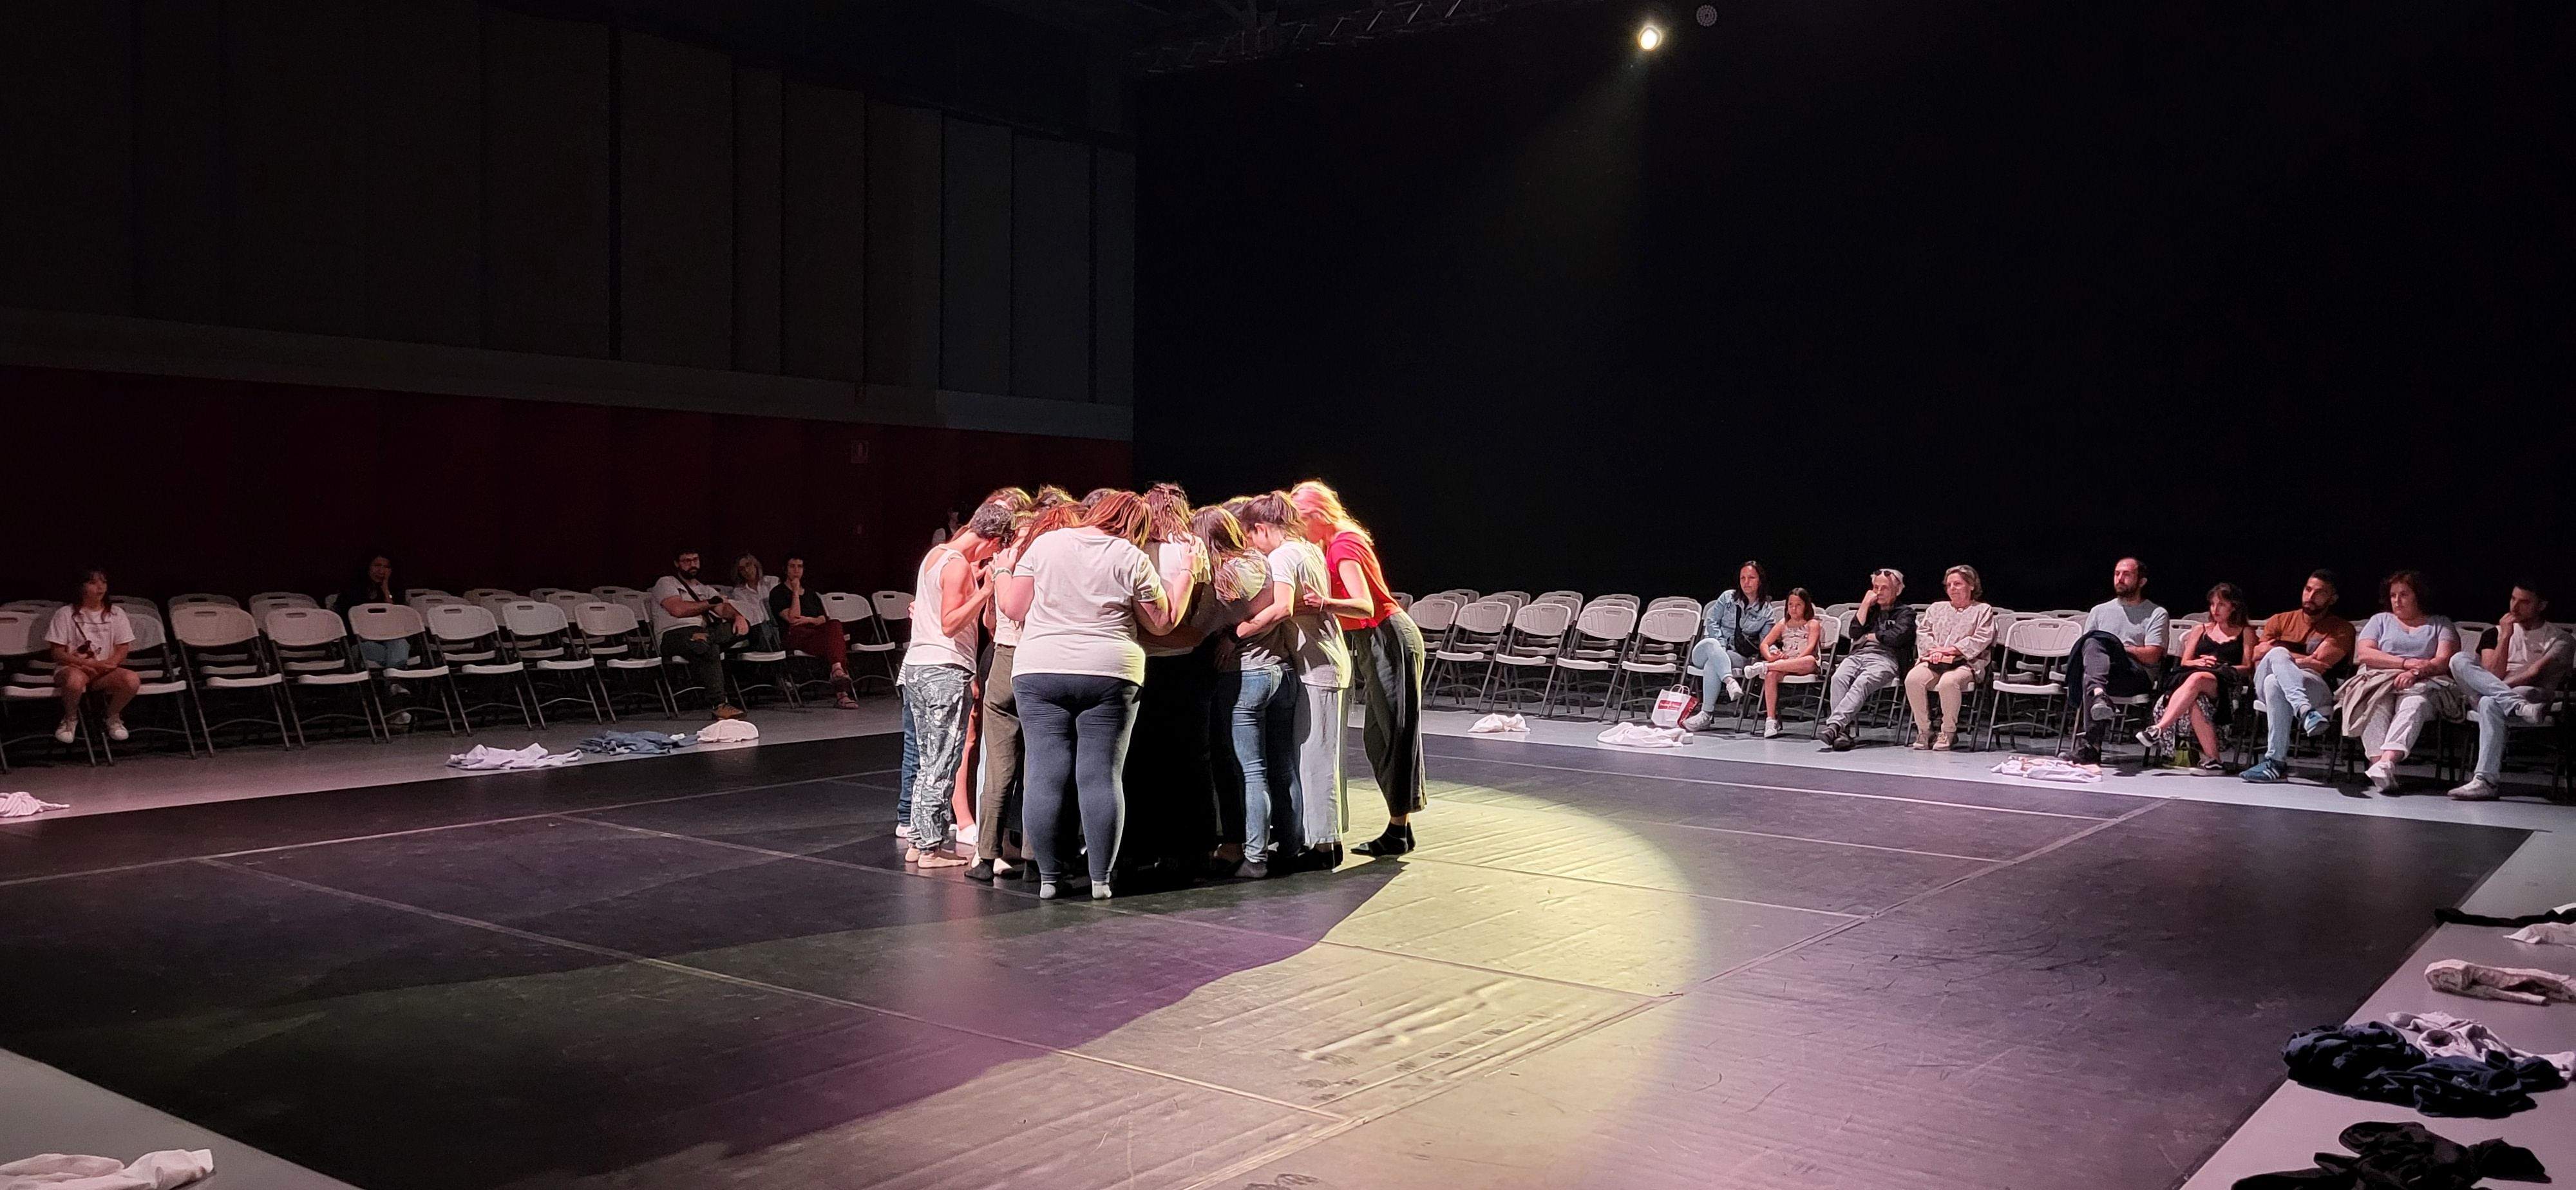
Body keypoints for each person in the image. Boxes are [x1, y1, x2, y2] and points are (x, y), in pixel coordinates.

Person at [1000, 489, 1177, 900]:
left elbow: (1013, 608)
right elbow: (1163, 623)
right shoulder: (1131, 557)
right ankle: (1100, 879)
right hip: (1110, 671)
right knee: (1101, 775)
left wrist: (1002, 573)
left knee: (1044, 774)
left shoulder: (1045, 545)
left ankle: (1048, 879)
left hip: (1040, 668)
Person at [1291, 480, 1427, 857]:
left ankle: (1399, 831)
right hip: (1374, 641)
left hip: (1388, 636)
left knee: (1394, 735)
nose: (1300, 528)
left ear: (1318, 514)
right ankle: (1400, 827)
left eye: (1302, 519)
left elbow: (1364, 605)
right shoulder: (1335, 543)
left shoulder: (1344, 543)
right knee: (1379, 737)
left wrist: (1322, 603)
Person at [1240, 492, 1351, 869]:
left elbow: (1284, 606)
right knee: (1318, 757)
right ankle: (1323, 838)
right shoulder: (1308, 548)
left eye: (1251, 535)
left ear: (1260, 528)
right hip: (1323, 662)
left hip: (1317, 667)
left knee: (1316, 761)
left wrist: (1241, 631)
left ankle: (1324, 848)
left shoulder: (1284, 555)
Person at [898, 503, 1009, 867]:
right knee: (942, 759)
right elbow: (950, 623)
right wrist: (986, 591)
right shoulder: (958, 564)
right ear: (991, 540)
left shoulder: (937, 554)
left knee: (928, 759)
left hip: (917, 665)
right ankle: (929, 847)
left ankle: (918, 839)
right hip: (943, 669)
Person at [1191, 505, 1296, 878]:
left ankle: (1253, 856)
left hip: (1246, 675)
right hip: (1281, 670)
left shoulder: (1224, 579)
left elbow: (1197, 627)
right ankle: (1290, 844)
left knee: (1248, 771)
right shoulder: (1263, 561)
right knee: (1282, 767)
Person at [1122, 483, 1214, 883]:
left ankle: (1138, 847)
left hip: (1143, 661)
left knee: (1138, 761)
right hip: (1187, 664)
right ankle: (1191, 850)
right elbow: (1206, 605)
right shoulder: (1193, 548)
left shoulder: (1134, 550)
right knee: (1188, 760)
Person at [2339, 571, 2463, 796]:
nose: (2397, 600)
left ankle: (2386, 763)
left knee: (2414, 704)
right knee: (2373, 703)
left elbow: (2443, 660)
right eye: (2393, 595)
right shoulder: (2380, 621)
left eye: (2404, 594)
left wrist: (2415, 672)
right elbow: (2366, 653)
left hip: (2422, 683)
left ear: (2419, 596)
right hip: (2380, 681)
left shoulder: (2440, 624)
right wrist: (2405, 664)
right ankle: (2382, 770)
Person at [2449, 583, 2572, 800]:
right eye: (2513, 599)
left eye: (2525, 602)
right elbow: (2493, 674)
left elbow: (2534, 673)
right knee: (2459, 660)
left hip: (2533, 695)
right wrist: (2505, 636)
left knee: (2489, 701)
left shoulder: (2561, 639)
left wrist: (2495, 691)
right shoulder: (2493, 633)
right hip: (2519, 705)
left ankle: (2485, 781)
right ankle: (2516, 706)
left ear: (2542, 605)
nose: (2515, 607)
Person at [2239, 570, 2358, 784]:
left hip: (2315, 686)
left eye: (2319, 593)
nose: (2310, 596)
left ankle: (2275, 764)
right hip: (2270, 686)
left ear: (2333, 599)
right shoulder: (2280, 620)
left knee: (2274, 681)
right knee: (2276, 658)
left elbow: (2321, 663)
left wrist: (2276, 650)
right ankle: (2305, 712)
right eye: (2308, 589)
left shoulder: (2342, 628)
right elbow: (2257, 654)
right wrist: (2300, 659)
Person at [2137, 582, 2254, 771]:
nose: (2215, 609)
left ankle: (2159, 728)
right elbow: (2186, 662)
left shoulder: (2245, 632)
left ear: (2234, 606)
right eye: (2213, 604)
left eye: (2222, 605)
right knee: (2195, 698)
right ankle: (2214, 760)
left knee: (2198, 679)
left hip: (2225, 681)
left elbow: (2248, 667)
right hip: (2195, 679)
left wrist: (2221, 666)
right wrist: (2198, 663)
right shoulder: (2201, 629)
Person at [2065, 557, 2169, 763]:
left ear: (2141, 582)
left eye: (2127, 574)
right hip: (2104, 675)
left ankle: (2091, 745)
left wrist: (2120, 648)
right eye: (2117, 574)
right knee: (2092, 647)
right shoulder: (2099, 611)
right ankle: (2099, 696)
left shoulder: (2156, 613)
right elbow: (2088, 650)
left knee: (2098, 645)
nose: (2120, 578)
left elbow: (2153, 655)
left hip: (2135, 674)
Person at [1819, 569, 1915, 751]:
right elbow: (1854, 633)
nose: (1878, 592)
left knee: (1862, 683)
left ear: (1898, 590)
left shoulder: (1906, 613)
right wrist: (1864, 605)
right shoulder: (1870, 610)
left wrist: (1873, 636)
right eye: (1875, 587)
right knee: (1838, 678)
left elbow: (1898, 637)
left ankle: (1835, 725)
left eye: (1884, 588)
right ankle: (1841, 732)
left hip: (1886, 659)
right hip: (1858, 655)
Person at [1904, 565, 1995, 751]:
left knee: (1948, 682)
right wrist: (1935, 651)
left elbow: (1981, 638)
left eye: (1958, 584)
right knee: (1913, 679)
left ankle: (1948, 732)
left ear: (1971, 586)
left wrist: (1951, 651)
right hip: (1934, 659)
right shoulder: (1937, 608)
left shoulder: (1983, 610)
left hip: (1966, 662)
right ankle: (1924, 730)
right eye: (1949, 585)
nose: (1952, 588)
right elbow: (1923, 633)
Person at [46, 567, 140, 744]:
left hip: (104, 670)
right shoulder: (65, 614)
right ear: (81, 587)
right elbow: (57, 653)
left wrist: (109, 664)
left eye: (103, 582)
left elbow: (122, 648)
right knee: (74, 681)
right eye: (93, 582)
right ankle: (70, 718)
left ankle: (112, 716)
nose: (100, 587)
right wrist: (90, 665)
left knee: (132, 680)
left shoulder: (117, 613)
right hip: (73, 668)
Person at [649, 549, 745, 720]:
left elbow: (723, 609)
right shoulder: (666, 583)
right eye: (686, 561)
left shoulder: (704, 588)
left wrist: (738, 617)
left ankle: (704, 639)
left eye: (695, 560)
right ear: (677, 564)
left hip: (702, 633)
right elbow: (678, 610)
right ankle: (720, 705)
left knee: (742, 626)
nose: (692, 564)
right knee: (710, 648)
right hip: (673, 635)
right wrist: (709, 604)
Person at [1682, 561, 1776, 732]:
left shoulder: (1766, 610)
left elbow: (1765, 642)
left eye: (1751, 578)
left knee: (1714, 664)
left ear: (1760, 581)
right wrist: (1721, 644)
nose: (1746, 582)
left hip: (1736, 655)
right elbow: (1712, 622)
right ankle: (1729, 681)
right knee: (1712, 645)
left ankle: (1706, 715)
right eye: (1743, 578)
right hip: (1706, 650)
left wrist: (1773, 653)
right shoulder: (1727, 598)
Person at [767, 553, 860, 710]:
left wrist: (809, 620)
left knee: (835, 626)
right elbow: (793, 619)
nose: (796, 570)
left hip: (814, 634)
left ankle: (837, 669)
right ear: (785, 570)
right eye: (792, 566)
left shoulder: (811, 594)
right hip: (794, 636)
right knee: (836, 643)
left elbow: (823, 619)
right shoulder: (778, 593)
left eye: (800, 567)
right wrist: (795, 592)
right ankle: (842, 693)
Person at [1745, 588, 1823, 738]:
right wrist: (1770, 656)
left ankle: (1764, 667)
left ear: (1806, 605)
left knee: (1809, 661)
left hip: (1804, 663)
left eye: (1798, 605)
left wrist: (1794, 661)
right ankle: (1771, 720)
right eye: (1791, 605)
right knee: (1771, 675)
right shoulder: (1783, 623)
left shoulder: (1813, 624)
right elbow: (1764, 644)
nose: (1793, 609)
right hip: (1784, 663)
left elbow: (1811, 648)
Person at [732, 554, 782, 651]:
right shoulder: (738, 592)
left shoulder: (773, 581)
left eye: (748, 565)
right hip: (757, 628)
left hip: (778, 622)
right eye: (742, 569)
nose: (747, 570)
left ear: (755, 565)